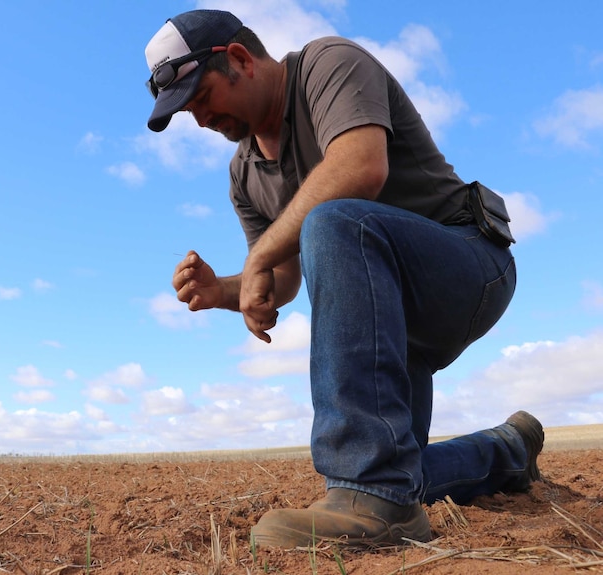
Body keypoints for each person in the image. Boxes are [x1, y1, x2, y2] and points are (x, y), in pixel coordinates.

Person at [143, 9, 545, 549]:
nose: (200, 119)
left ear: (238, 58)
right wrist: (228, 292)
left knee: (333, 219)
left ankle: (370, 492)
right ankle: (508, 451)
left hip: (471, 265)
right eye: (187, 111)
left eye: (202, 97)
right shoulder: (243, 175)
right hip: (394, 325)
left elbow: (360, 165)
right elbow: (282, 276)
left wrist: (263, 254)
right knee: (401, 475)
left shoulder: (326, 64)